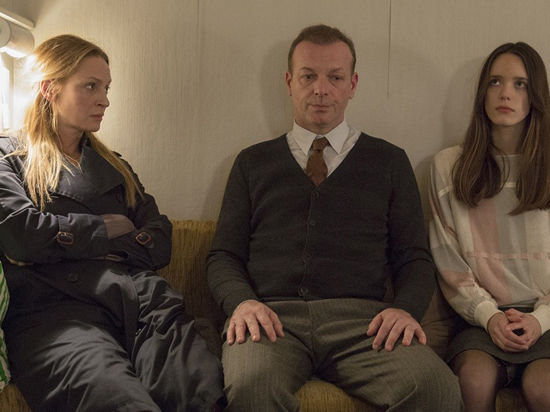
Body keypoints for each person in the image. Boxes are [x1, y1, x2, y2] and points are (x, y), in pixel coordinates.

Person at [207, 24, 462, 412]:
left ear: (352, 84)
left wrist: (405, 309)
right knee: (251, 387)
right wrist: (242, 303)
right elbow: (223, 256)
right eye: (308, 76)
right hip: (271, 321)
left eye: (335, 77)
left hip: (364, 326)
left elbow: (414, 257)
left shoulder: (389, 162)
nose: (321, 89)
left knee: (436, 388)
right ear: (290, 82)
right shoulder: (251, 163)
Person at [0, 34, 224, 412]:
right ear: (50, 88)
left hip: (146, 306)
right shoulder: (9, 156)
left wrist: (74, 241)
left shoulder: (115, 165)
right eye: (90, 86)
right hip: (60, 319)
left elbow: (160, 239)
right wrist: (108, 228)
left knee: (201, 396)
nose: (104, 100)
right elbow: (22, 236)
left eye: (106, 88)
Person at [430, 42, 550, 412]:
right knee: (474, 381)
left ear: (536, 95)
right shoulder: (448, 167)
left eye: (520, 84)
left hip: (546, 320)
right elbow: (448, 262)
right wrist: (490, 316)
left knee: (543, 388)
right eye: (495, 82)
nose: (505, 94)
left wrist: (540, 319)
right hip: (480, 322)